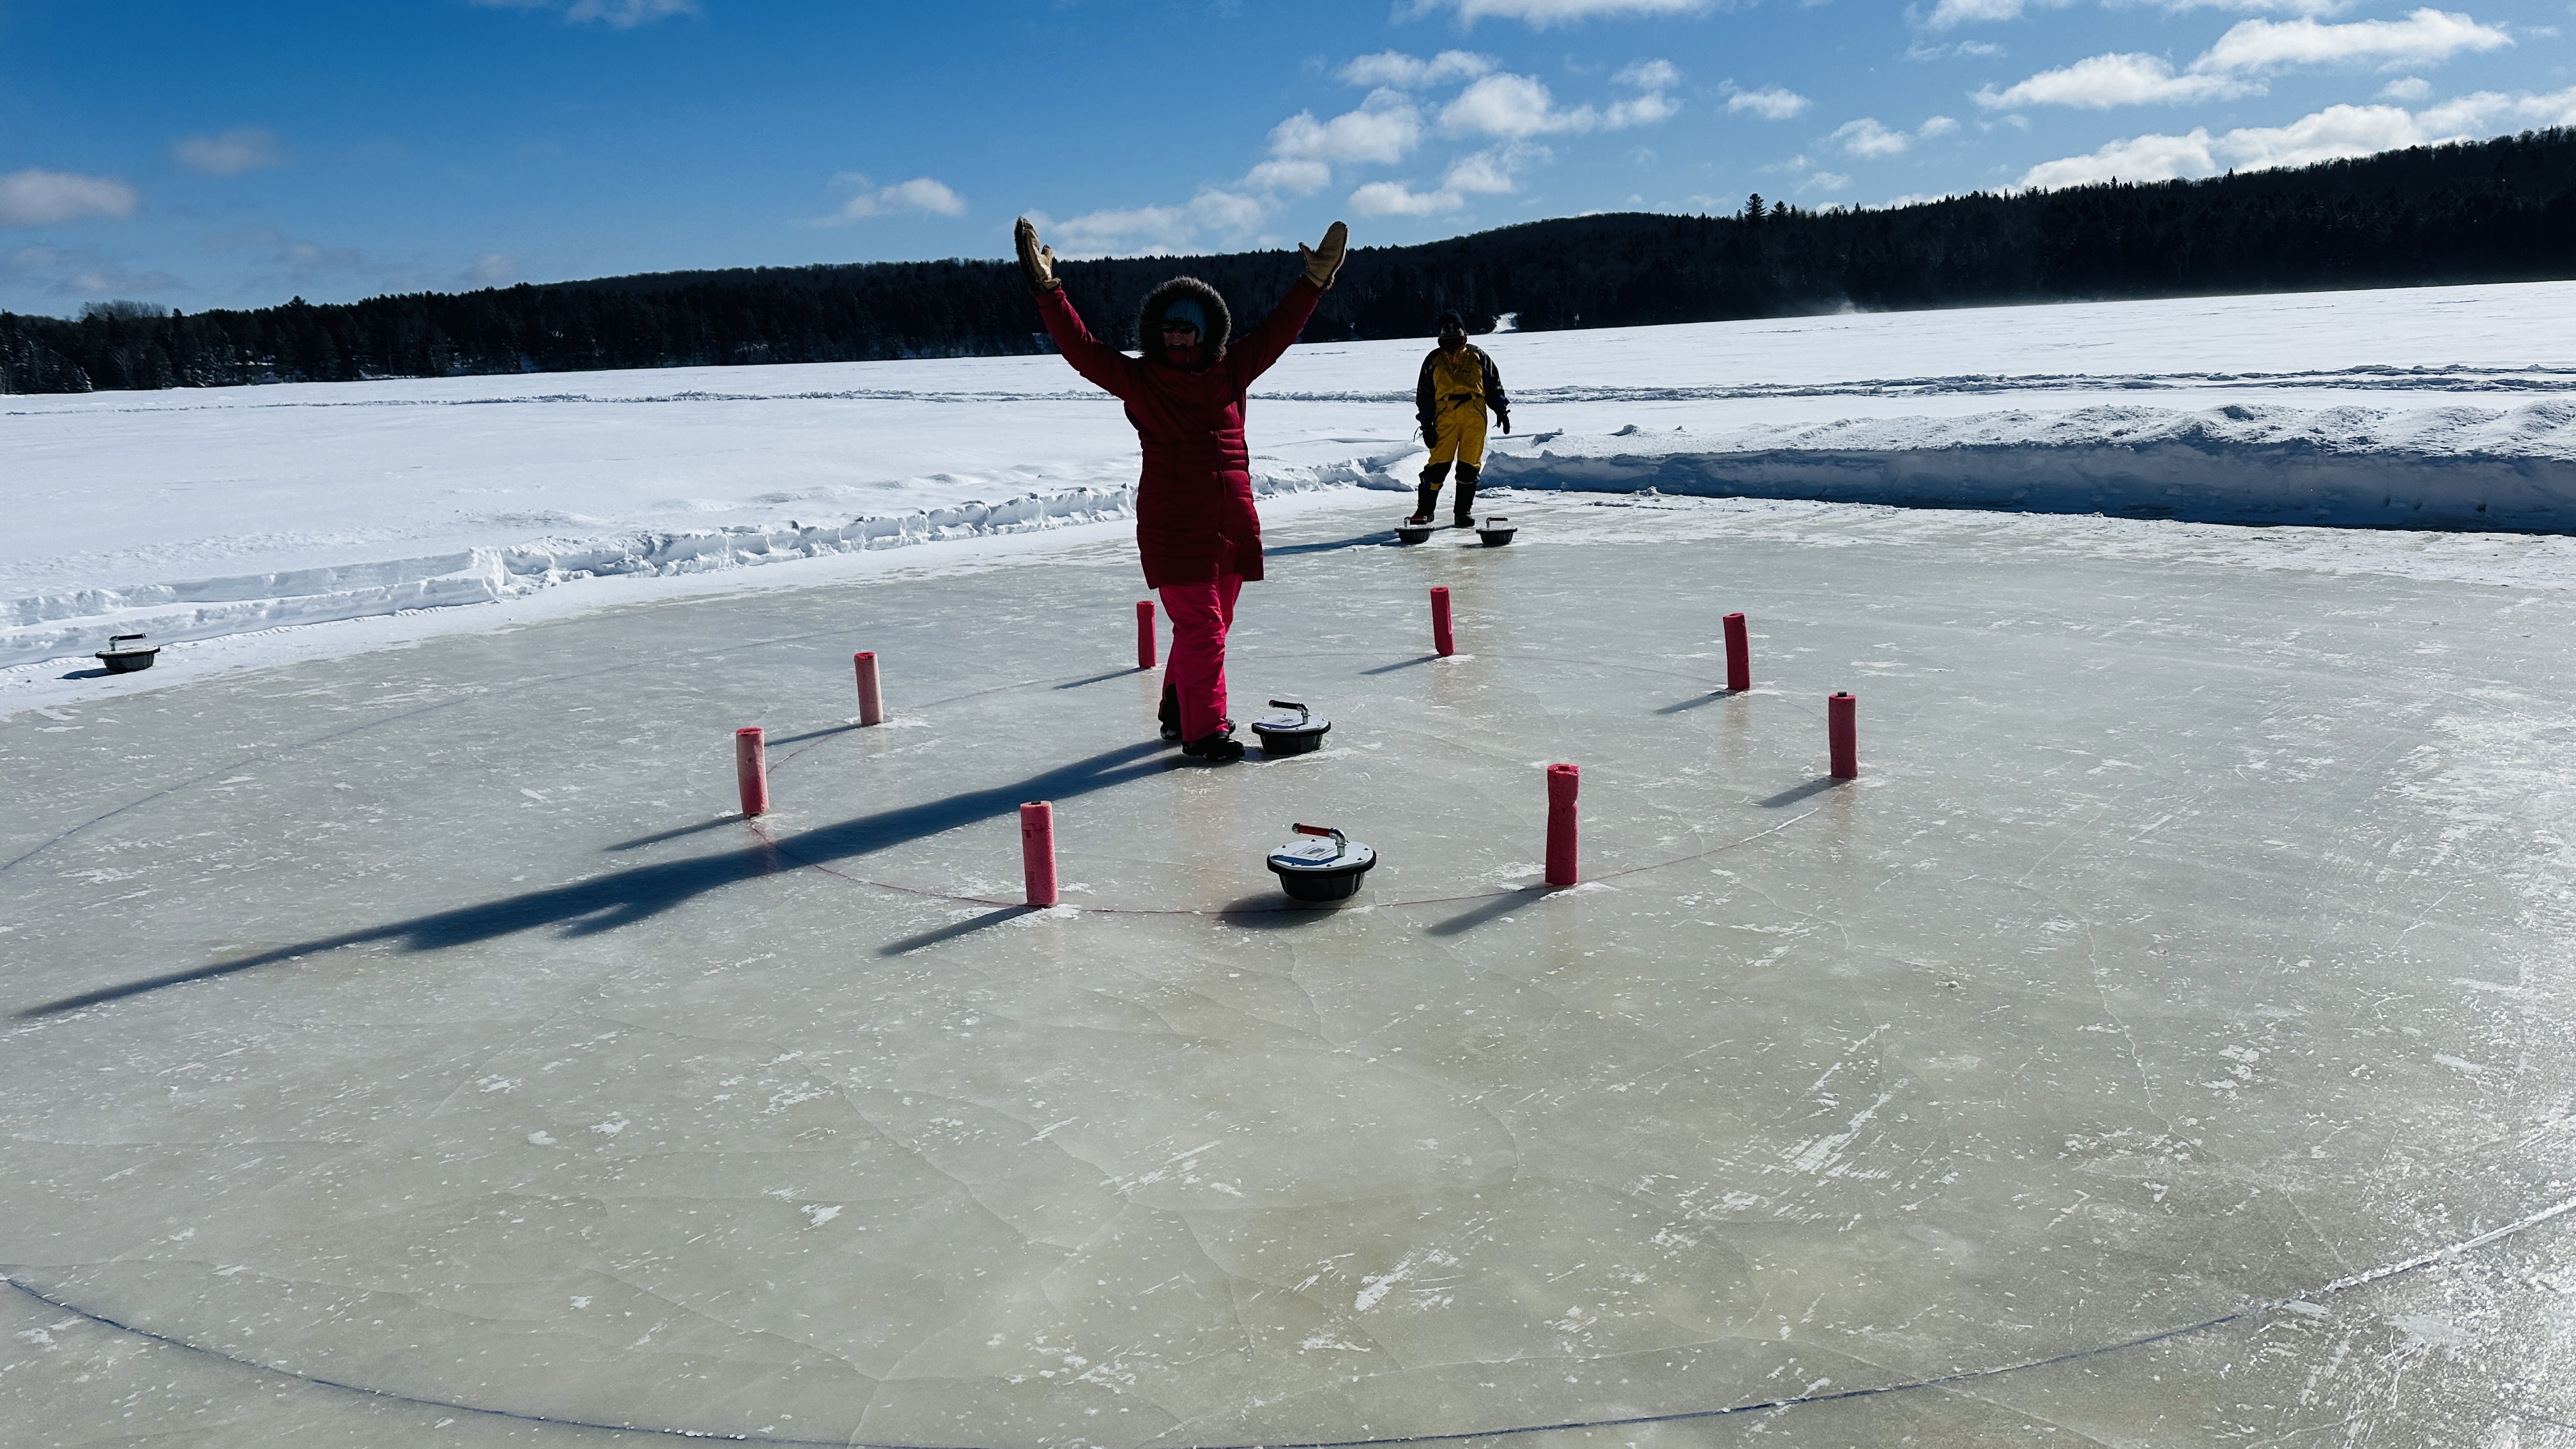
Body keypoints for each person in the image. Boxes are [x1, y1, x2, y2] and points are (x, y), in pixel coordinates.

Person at [1015, 214, 1349, 763]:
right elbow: (1083, 350)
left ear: (1205, 331)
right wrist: (1049, 293)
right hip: (1176, 527)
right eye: (1168, 328)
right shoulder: (1141, 381)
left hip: (1233, 523)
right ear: (1156, 331)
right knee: (1204, 630)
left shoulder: (1232, 369)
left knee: (1213, 626)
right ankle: (1204, 732)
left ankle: (1178, 709)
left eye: (1186, 328)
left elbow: (1279, 330)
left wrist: (1312, 282)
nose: (1176, 336)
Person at [1409, 311, 1511, 528]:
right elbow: (1424, 396)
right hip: (1445, 417)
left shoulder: (1478, 356)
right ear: (1440, 332)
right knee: (1437, 466)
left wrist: (1501, 410)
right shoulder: (1433, 360)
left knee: (1469, 466)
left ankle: (1462, 512)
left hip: (1474, 414)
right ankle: (1425, 510)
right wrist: (1426, 425)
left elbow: (1494, 385)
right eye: (1446, 329)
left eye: (1455, 328)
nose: (1451, 333)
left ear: (1463, 330)